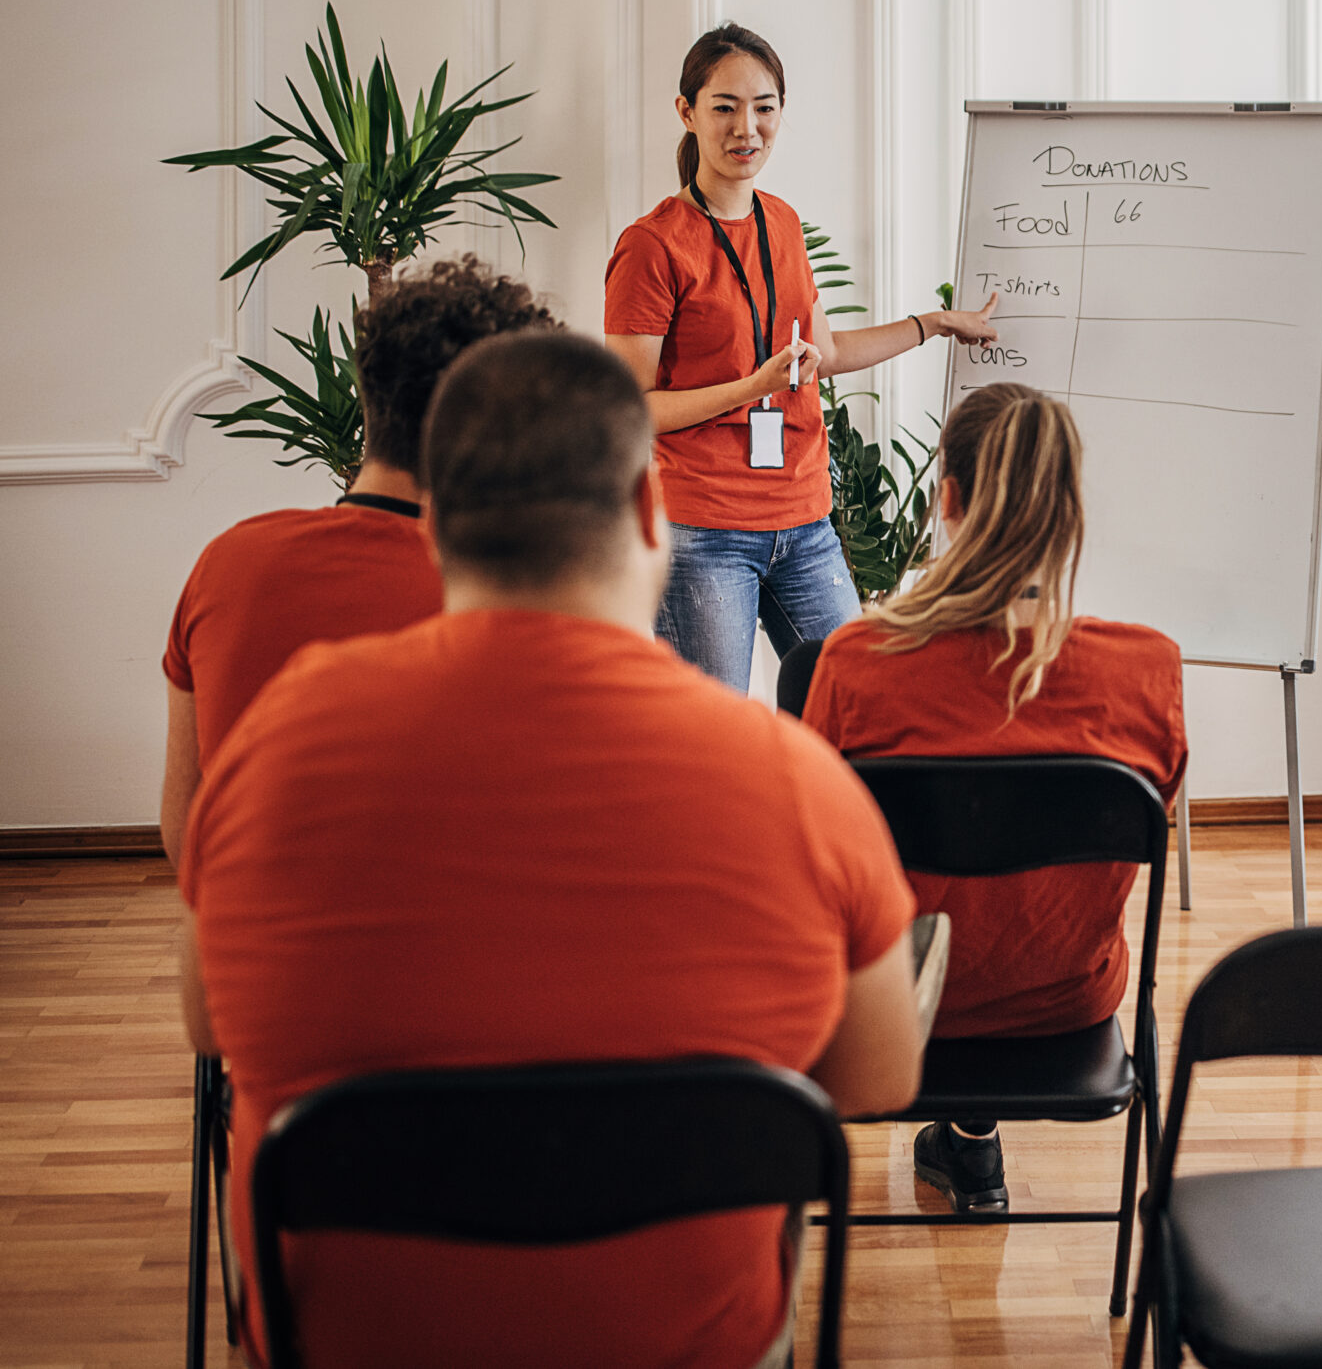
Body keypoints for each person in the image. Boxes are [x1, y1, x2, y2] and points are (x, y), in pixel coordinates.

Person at [179, 332, 925, 1369]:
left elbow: (209, 1016)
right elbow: (878, 1075)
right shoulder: (794, 779)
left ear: (438, 523)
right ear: (648, 512)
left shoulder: (277, 743)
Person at [801, 381, 1186, 1215]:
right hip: (1063, 1004)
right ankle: (971, 1148)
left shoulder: (858, 661)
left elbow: (818, 851)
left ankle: (965, 1145)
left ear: (947, 500)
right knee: (1017, 899)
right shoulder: (1147, 672)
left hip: (896, 1007)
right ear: (1072, 509)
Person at [604, 23, 1003, 689]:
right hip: (705, 532)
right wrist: (747, 388)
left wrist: (934, 323)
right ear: (687, 113)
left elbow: (829, 349)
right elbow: (627, 412)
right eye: (724, 107)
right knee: (719, 735)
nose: (746, 127)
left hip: (805, 520)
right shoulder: (652, 245)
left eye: (764, 107)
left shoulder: (781, 222)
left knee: (862, 702)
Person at [160, 255, 556, 861]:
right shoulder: (513, 601)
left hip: (243, 940)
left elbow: (186, 831)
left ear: (370, 395)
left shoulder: (228, 563)